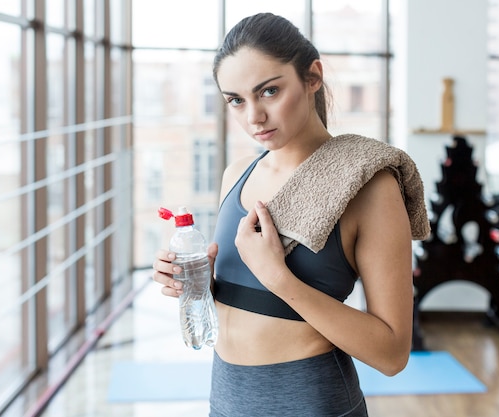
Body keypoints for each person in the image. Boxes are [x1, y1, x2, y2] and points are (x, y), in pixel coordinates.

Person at [152, 12, 429, 417]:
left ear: (312, 77)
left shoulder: (369, 186)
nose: (253, 117)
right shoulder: (236, 176)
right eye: (236, 100)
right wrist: (196, 284)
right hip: (227, 398)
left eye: (269, 91)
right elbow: (246, 302)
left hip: (311, 402)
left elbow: (392, 354)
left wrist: (278, 277)